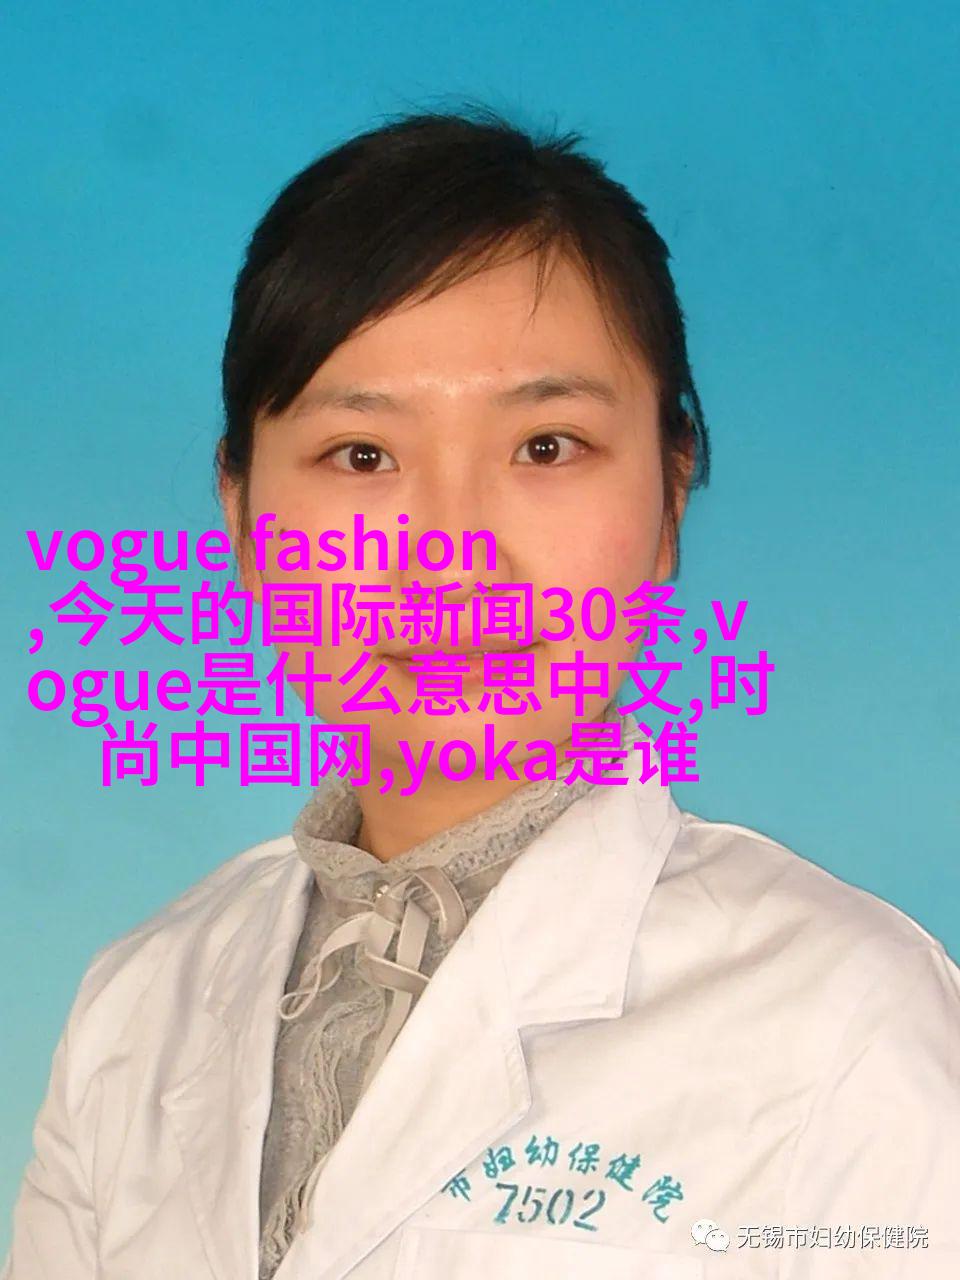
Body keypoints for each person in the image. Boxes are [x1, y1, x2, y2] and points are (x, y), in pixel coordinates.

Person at [4, 106, 959, 1280]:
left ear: (671, 493)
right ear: (241, 513)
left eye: (546, 446)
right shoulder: (138, 1003)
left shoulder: (849, 1016)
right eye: (363, 455)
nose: (451, 558)